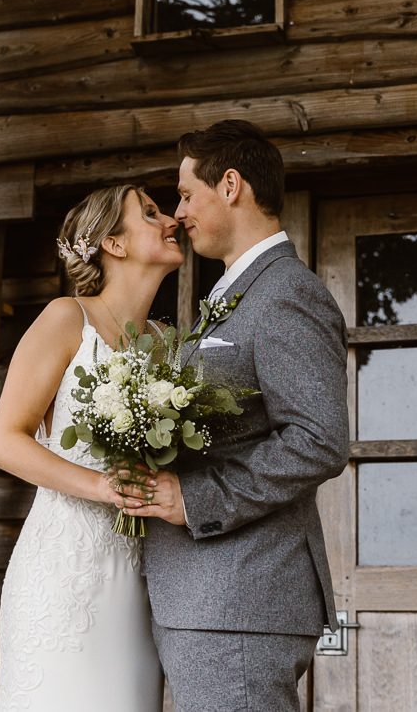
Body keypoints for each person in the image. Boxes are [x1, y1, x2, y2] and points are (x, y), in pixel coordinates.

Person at [116, 119, 350, 712]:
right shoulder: (235, 293)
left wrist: (197, 500)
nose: (178, 212)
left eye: (186, 194)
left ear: (230, 185)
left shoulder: (286, 293)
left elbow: (319, 440)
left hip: (240, 599)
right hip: (208, 599)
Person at [0, 184, 183, 711]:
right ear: (113, 245)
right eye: (150, 212)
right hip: (63, 573)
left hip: (143, 581)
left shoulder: (170, 344)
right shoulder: (65, 318)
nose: (172, 219)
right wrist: (102, 485)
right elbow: (3, 442)